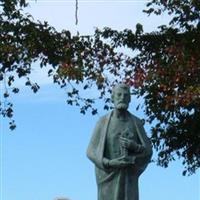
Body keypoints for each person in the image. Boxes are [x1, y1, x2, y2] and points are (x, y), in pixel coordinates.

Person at [87, 83, 152, 200]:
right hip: (107, 177)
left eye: (126, 96)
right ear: (112, 97)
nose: (122, 98)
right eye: (119, 95)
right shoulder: (102, 122)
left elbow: (148, 151)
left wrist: (135, 147)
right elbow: (91, 151)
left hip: (128, 178)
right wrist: (109, 163)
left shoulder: (136, 123)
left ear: (130, 99)